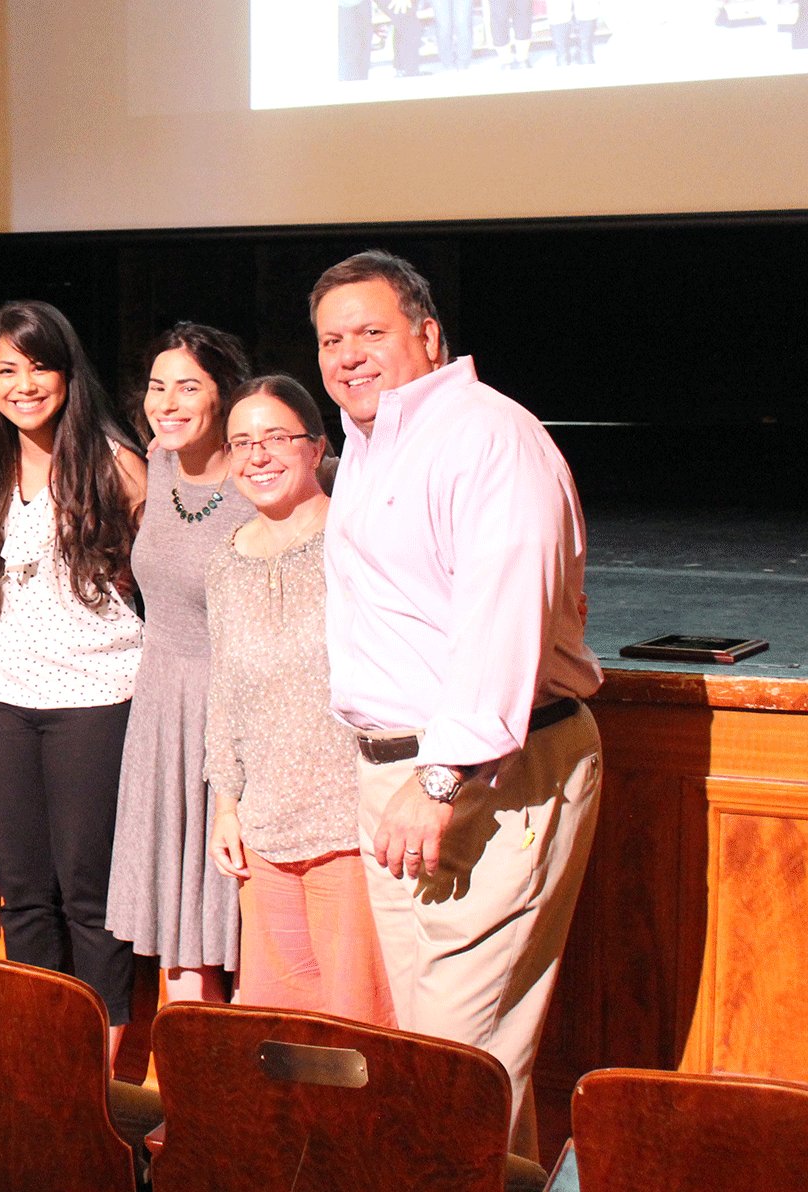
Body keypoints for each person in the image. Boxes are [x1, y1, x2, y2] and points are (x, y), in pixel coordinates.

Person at [314, 250, 602, 1156]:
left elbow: (502, 625)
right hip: (403, 778)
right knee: (446, 1059)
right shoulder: (372, 444)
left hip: (481, 777)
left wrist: (438, 779)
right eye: (331, 339)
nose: (349, 354)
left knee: (455, 1061)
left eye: (371, 332)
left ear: (428, 336)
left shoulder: (486, 436)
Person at [0, 300, 147, 1053]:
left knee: (88, 889)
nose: (24, 384)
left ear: (68, 375)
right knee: (22, 889)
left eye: (39, 366)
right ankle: (34, 1048)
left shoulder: (113, 461)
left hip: (93, 701)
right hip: (4, 698)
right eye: (7, 369)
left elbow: (156, 582)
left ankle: (102, 1061)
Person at [203, 375, 395, 1027]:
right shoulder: (225, 560)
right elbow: (223, 691)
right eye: (241, 442)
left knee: (358, 1027)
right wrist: (226, 804)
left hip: (352, 826)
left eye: (275, 438)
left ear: (317, 448)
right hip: (264, 833)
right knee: (280, 1031)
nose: (256, 455)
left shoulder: (358, 544)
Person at [107, 323, 253, 1005]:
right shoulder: (155, 465)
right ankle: (191, 1102)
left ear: (225, 395)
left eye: (187, 386)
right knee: (176, 933)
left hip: (238, 715)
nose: (166, 402)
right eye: (157, 386)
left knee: (243, 930)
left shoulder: (263, 475)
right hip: (161, 708)